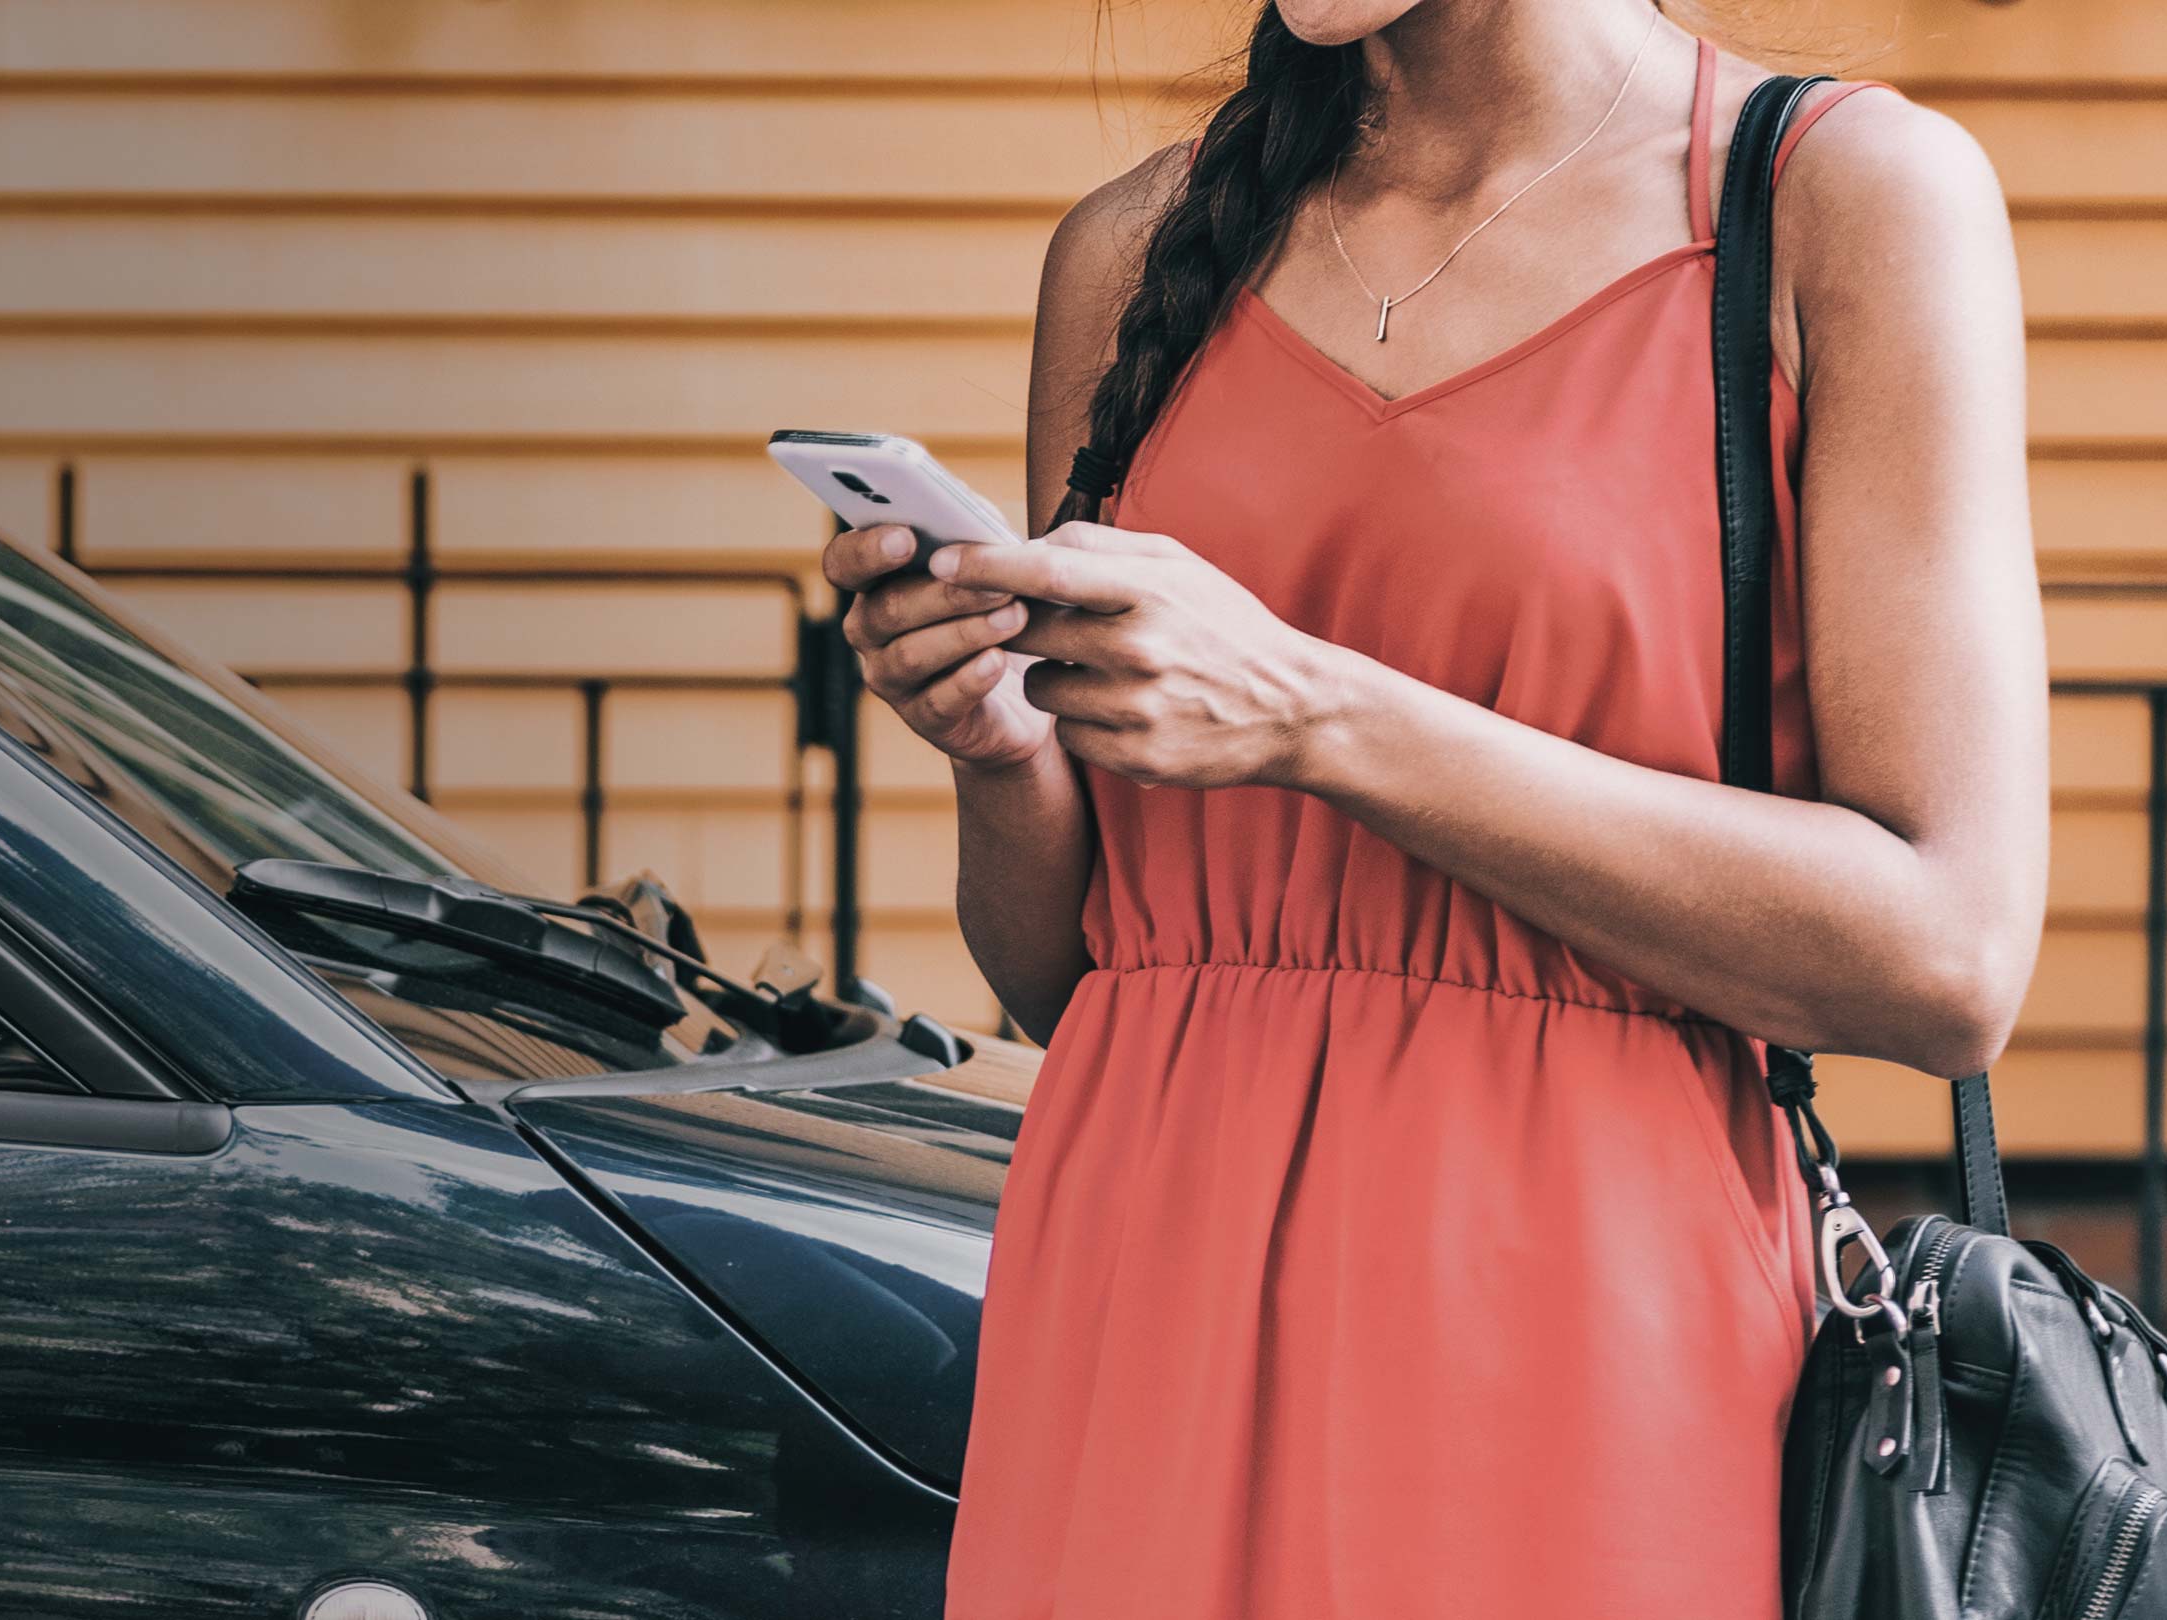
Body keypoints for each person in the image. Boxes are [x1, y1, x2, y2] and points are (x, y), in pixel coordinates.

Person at [819, 3, 2048, 1615]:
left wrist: (1323, 714)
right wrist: (997, 744)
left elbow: (1949, 955)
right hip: (1139, 1308)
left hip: (1573, 1344)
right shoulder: (1133, 252)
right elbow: (1077, 979)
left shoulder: (1836, 200)